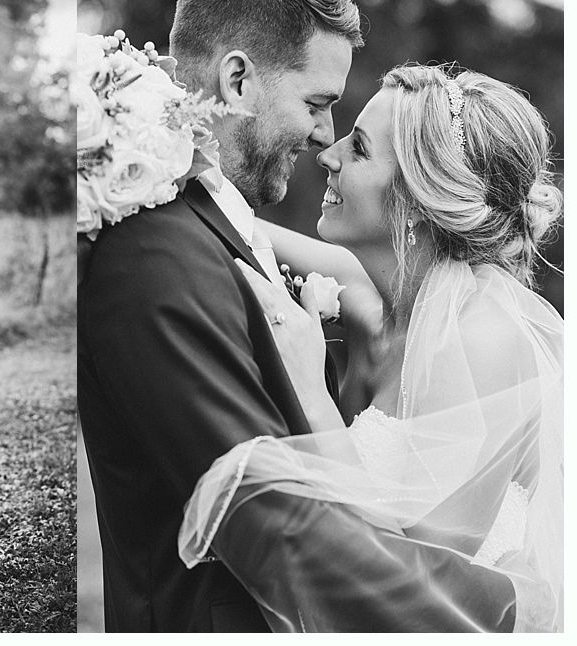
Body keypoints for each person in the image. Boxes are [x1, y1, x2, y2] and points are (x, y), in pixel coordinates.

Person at [180, 64, 563, 632]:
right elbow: (213, 222)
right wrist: (131, 127)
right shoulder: (368, 292)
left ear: (417, 195)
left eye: (358, 149)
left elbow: (412, 594)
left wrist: (311, 388)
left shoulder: (484, 337)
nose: (327, 155)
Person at [77, 0, 363, 631]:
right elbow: (274, 524)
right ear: (238, 81)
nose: (326, 136)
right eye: (317, 103)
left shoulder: (220, 230)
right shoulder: (157, 256)